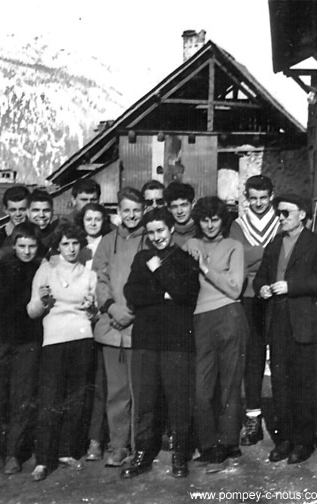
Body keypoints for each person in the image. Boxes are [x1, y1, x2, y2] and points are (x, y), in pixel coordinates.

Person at [254, 194, 317, 465]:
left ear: (303, 215)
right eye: (279, 213)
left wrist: (292, 286)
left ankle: (303, 441)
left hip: (308, 326)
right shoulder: (274, 244)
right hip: (279, 323)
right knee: (281, 384)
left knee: (307, 386)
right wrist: (262, 288)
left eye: (286, 213)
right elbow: (262, 276)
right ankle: (285, 439)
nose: (280, 218)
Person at [121, 207, 199, 479]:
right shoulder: (141, 256)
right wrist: (162, 294)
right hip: (146, 340)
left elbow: (183, 292)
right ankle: (142, 452)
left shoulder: (184, 258)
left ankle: (180, 454)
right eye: (151, 232)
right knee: (145, 400)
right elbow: (131, 292)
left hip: (176, 340)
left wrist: (158, 270)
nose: (156, 237)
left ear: (171, 229)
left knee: (178, 399)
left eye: (161, 231)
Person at [27, 222, 97, 481]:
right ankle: (43, 459)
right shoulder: (46, 271)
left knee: (77, 398)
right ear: (58, 246)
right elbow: (32, 311)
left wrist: (91, 309)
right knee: (50, 399)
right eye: (65, 243)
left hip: (81, 339)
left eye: (75, 243)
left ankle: (67, 451)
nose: (70, 248)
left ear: (81, 245)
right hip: (54, 340)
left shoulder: (89, 275)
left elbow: (94, 313)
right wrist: (43, 301)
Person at [185, 196, 247, 473]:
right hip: (199, 320)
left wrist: (205, 268)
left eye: (215, 219)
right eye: (204, 220)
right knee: (201, 388)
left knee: (230, 384)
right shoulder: (190, 245)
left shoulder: (234, 246)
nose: (210, 225)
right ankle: (209, 444)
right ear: (198, 221)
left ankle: (228, 443)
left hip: (229, 316)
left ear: (223, 220)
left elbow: (234, 289)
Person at [0, 222, 43, 475]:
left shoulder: (41, 268)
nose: (26, 251)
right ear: (13, 246)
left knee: (22, 399)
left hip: (28, 342)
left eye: (32, 246)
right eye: (22, 246)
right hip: (0, 342)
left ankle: (14, 454)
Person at [92, 187, 146, 467]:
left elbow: (152, 280)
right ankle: (118, 445)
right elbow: (99, 279)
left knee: (140, 392)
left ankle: (139, 447)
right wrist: (111, 307)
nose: (132, 215)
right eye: (126, 210)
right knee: (116, 392)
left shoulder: (150, 239)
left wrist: (132, 311)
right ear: (118, 213)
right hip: (112, 327)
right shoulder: (106, 242)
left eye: (137, 210)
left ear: (144, 211)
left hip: (139, 328)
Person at [229, 175, 279, 446]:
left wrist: (254, 254)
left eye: (263, 198)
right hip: (249, 296)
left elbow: (286, 258)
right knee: (253, 356)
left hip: (278, 293)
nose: (258, 203)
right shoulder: (238, 225)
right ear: (246, 198)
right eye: (253, 198)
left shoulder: (281, 220)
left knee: (281, 354)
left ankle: (283, 415)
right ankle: (253, 416)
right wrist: (268, 252)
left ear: (271, 196)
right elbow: (237, 257)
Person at [74, 202, 113, 462]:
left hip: (100, 317)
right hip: (76, 321)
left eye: (98, 219)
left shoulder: (109, 243)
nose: (93, 223)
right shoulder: (73, 244)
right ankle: (73, 439)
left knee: (101, 381)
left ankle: (96, 439)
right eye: (89, 218)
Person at [0, 190, 55, 275]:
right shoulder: (20, 231)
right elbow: (9, 247)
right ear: (28, 212)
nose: (41, 215)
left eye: (46, 210)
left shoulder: (57, 231)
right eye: (36, 210)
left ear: (52, 212)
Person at [164, 182, 196, 248]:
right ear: (169, 208)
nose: (179, 211)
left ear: (193, 204)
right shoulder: (166, 234)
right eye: (174, 207)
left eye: (184, 205)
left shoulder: (202, 230)